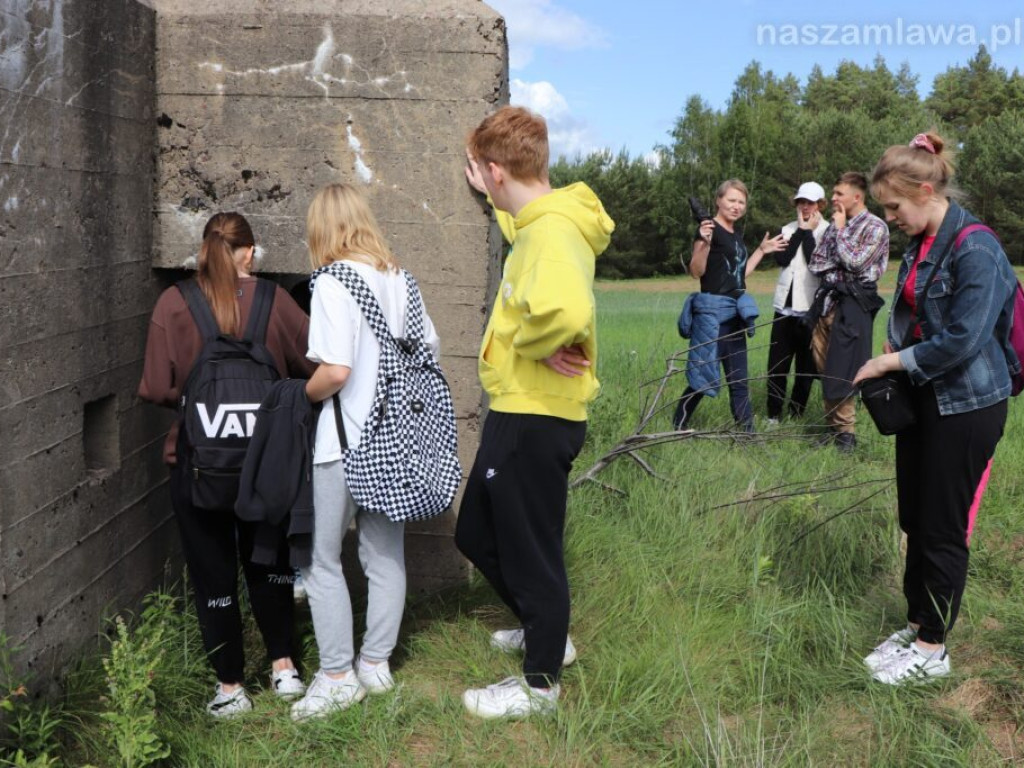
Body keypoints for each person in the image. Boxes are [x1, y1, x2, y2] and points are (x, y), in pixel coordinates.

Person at [457, 105, 613, 719]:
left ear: (498, 169)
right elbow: (526, 228)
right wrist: (494, 199)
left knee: (531, 549)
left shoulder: (550, 234)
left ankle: (540, 683)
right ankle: (544, 628)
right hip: (522, 408)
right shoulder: (543, 220)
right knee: (476, 530)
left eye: (486, 173)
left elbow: (567, 314)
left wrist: (533, 344)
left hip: (536, 414)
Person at [854, 132, 1018, 685]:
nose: (890, 217)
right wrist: (897, 345)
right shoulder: (919, 241)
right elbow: (913, 311)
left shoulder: (977, 247)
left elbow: (964, 339)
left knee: (943, 526)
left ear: (925, 190)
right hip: (926, 396)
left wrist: (890, 364)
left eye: (894, 206)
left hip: (968, 404)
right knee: (915, 516)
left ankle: (933, 648)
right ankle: (916, 622)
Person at [139, 212, 315, 718]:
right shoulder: (274, 301)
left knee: (213, 573)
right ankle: (284, 668)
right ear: (248, 253)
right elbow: (314, 363)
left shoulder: (174, 303)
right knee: (270, 564)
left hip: (199, 466)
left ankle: (231, 687)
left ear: (203, 250)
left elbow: (154, 388)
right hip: (267, 467)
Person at [289, 184, 441, 720]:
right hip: (395, 443)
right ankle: (375, 664)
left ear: (322, 229)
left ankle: (335, 676)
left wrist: (296, 397)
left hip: (345, 442)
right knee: (383, 556)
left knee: (321, 560)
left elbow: (335, 371)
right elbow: (430, 352)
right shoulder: (403, 280)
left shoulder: (332, 282)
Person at [672, 180, 787, 431]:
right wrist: (703, 242)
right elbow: (696, 271)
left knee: (739, 381)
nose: (736, 206)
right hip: (712, 316)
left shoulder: (735, 235)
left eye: (741, 202)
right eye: (731, 200)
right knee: (701, 379)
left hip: (735, 315)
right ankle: (677, 425)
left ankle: (747, 436)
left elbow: (738, 275)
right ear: (718, 200)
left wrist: (761, 250)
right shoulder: (708, 229)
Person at [807, 172, 890, 452]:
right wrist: (838, 268)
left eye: (838, 194)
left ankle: (846, 435)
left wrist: (841, 232)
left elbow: (855, 263)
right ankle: (833, 428)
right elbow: (816, 262)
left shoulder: (875, 227)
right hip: (828, 304)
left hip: (854, 306)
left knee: (844, 368)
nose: (832, 198)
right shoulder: (833, 226)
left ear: (857, 196)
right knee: (825, 366)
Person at [765, 182, 829, 423]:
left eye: (810, 203)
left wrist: (809, 232)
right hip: (784, 309)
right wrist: (801, 231)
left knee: (805, 369)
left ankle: (795, 414)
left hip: (809, 311)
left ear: (820, 205)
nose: (804, 207)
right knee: (777, 366)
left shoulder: (827, 231)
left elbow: (817, 265)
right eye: (801, 202)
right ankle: (773, 416)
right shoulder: (787, 228)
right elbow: (782, 258)